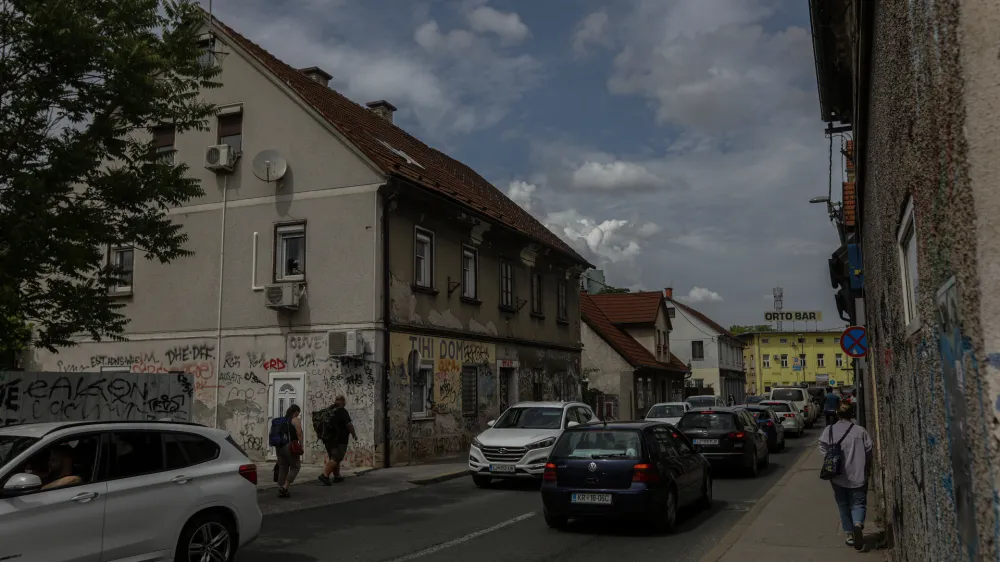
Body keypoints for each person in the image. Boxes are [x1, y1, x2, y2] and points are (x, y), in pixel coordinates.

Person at [819, 403, 874, 551]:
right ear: (852, 415)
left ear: (838, 414)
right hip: (858, 474)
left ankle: (849, 535)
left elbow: (823, 447)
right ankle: (857, 524)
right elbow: (869, 450)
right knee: (858, 503)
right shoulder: (860, 431)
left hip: (837, 475)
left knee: (843, 504)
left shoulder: (829, 430)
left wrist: (831, 457)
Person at [319, 395, 356, 485]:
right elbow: (349, 424)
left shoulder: (330, 411)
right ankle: (325, 475)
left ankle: (337, 476)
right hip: (339, 440)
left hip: (328, 440)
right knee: (336, 458)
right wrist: (354, 434)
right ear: (342, 402)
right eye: (344, 401)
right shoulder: (342, 411)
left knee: (334, 458)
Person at [275, 404, 303, 498]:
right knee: (295, 467)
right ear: (295, 412)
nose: (298, 416)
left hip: (279, 446)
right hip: (289, 446)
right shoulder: (295, 419)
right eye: (298, 414)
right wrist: (301, 445)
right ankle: (285, 487)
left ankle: (281, 487)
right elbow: (299, 433)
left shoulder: (282, 420)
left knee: (283, 467)